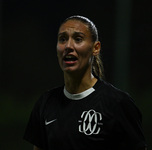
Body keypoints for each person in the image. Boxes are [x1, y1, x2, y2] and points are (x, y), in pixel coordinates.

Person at [23, 15, 147, 150]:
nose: (68, 46)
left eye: (78, 39)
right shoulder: (45, 104)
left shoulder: (117, 103)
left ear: (96, 48)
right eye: (63, 39)